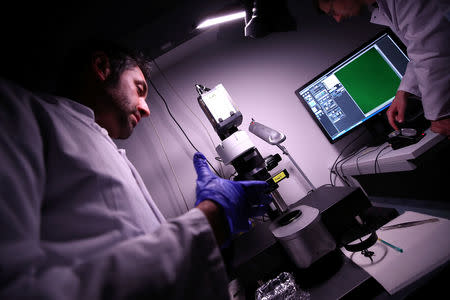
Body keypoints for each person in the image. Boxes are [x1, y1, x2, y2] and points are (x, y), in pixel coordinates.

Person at [0, 40, 270, 299]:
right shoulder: (18, 114)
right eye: (139, 89)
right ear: (102, 67)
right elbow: (17, 290)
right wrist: (208, 221)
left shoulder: (101, 144)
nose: (146, 109)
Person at [315, 0, 450, 136]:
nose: (337, 19)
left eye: (333, 11)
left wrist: (439, 114)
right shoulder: (385, 7)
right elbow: (418, 51)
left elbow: (431, 51)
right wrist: (403, 91)